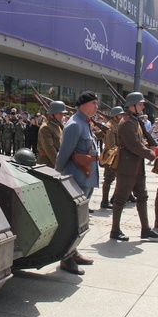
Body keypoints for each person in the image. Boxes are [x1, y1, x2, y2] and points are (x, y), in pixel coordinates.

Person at [55, 91, 100, 274]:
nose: (97, 107)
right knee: (72, 220)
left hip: (86, 178)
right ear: (83, 105)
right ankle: (66, 258)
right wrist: (57, 175)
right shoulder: (74, 124)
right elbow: (64, 154)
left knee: (80, 221)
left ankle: (73, 252)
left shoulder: (85, 123)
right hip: (76, 179)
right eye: (94, 103)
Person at [109, 93, 158, 241]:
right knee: (120, 199)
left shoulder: (134, 121)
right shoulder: (126, 122)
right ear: (132, 105)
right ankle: (115, 230)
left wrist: (147, 147)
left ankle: (145, 229)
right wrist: (151, 154)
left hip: (136, 165)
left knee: (142, 196)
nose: (143, 107)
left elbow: (139, 142)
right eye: (140, 104)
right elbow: (133, 145)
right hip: (127, 166)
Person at [99, 106, 125, 210]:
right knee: (108, 179)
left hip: (117, 154)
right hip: (111, 155)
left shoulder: (118, 124)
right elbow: (111, 145)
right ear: (115, 115)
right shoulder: (110, 126)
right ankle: (104, 201)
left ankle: (113, 199)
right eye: (120, 114)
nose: (122, 116)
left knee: (118, 179)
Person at [37, 101, 67, 167]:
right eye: (60, 113)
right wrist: (61, 166)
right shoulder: (45, 128)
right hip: (47, 165)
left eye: (63, 113)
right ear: (51, 114)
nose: (62, 115)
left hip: (55, 163)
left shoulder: (58, 126)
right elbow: (51, 151)